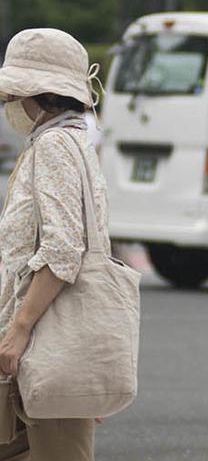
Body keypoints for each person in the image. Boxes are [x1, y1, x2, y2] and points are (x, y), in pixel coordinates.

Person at [0, 28, 110, 460]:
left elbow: (65, 251)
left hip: (42, 344)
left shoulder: (54, 147)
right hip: (38, 349)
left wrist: (20, 329)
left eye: (14, 93)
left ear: (38, 96)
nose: (9, 104)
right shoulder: (75, 142)